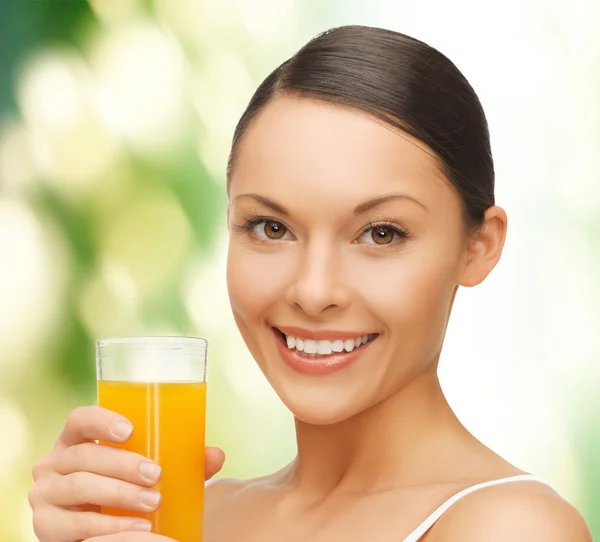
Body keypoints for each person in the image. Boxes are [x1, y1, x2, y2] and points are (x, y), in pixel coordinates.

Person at [28, 25, 591, 542]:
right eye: (271, 227)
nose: (314, 290)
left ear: (479, 246)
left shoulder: (509, 525)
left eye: (380, 234)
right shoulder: (192, 515)